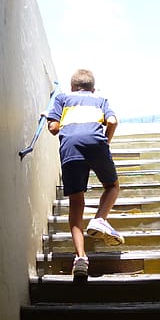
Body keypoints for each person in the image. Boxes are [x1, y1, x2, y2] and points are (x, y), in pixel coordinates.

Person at [44, 68, 124, 283]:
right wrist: (105, 143)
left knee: (76, 201)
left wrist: (49, 117)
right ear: (92, 88)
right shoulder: (100, 100)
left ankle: (80, 258)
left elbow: (53, 128)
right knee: (112, 186)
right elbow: (113, 122)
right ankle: (99, 219)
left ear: (72, 87)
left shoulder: (62, 98)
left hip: (70, 147)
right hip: (96, 143)